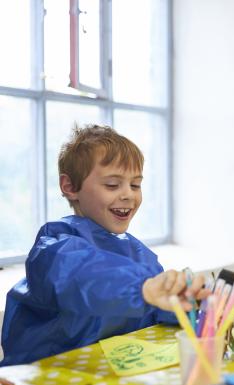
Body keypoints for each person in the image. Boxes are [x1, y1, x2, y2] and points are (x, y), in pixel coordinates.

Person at [1, 125, 208, 366]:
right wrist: (143, 289)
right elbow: (80, 276)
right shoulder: (55, 245)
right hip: (47, 380)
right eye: (112, 185)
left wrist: (188, 304)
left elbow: (153, 309)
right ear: (69, 187)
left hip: (115, 379)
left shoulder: (140, 255)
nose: (128, 195)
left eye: (135, 185)